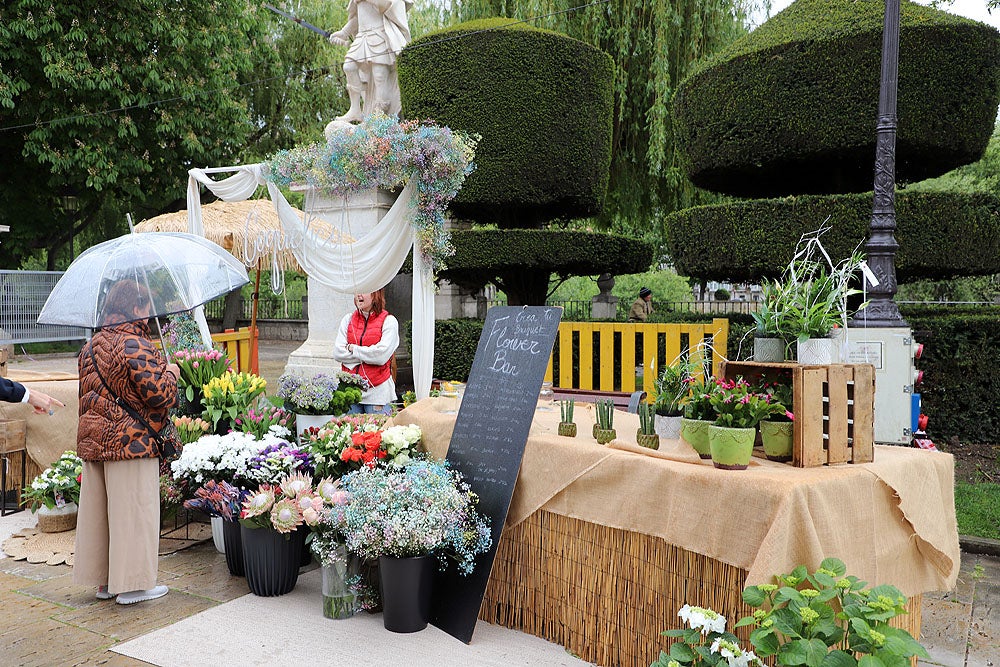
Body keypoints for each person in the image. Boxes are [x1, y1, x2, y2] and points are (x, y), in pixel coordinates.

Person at [73, 280, 180, 605]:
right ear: (134, 307)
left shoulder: (90, 346)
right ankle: (133, 586)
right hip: (130, 443)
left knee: (101, 515)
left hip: (95, 443)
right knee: (134, 511)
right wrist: (172, 373)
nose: (149, 314)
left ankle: (105, 583)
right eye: (145, 306)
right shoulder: (134, 343)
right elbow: (160, 396)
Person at [328, 0, 412, 123]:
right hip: (363, 36)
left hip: (380, 33)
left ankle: (380, 112)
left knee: (379, 75)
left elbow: (387, 6)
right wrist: (344, 32)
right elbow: (358, 16)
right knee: (349, 67)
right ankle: (355, 109)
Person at [333, 289, 399, 415]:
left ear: (376, 294)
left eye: (364, 291)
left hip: (378, 393)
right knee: (351, 433)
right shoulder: (347, 320)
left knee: (377, 433)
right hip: (351, 392)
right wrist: (370, 355)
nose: (359, 295)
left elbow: (381, 356)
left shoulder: (389, 321)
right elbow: (337, 353)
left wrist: (353, 349)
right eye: (357, 291)